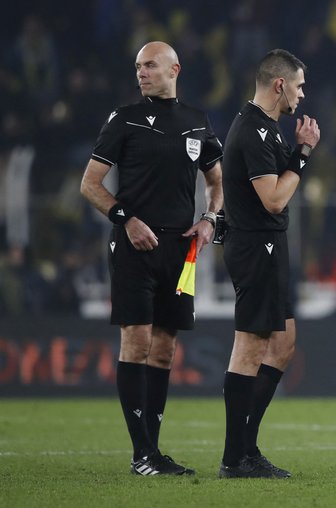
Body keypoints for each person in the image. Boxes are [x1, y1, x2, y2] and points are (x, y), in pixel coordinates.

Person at [80, 41, 223, 476]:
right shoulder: (123, 119)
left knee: (164, 350)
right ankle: (141, 454)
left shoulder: (198, 122)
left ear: (174, 68)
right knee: (137, 341)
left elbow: (218, 181)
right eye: (138, 66)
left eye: (150, 65)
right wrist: (127, 219)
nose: (141, 73)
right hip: (134, 247)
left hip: (181, 250)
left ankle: (153, 452)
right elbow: (90, 184)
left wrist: (210, 219)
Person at [218, 49, 320, 479]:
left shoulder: (268, 129)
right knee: (250, 347)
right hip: (256, 246)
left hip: (269, 246)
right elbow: (273, 199)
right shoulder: (255, 132)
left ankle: (246, 448)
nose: (301, 94)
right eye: (297, 85)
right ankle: (234, 457)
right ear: (279, 84)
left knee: (282, 344)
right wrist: (303, 155)